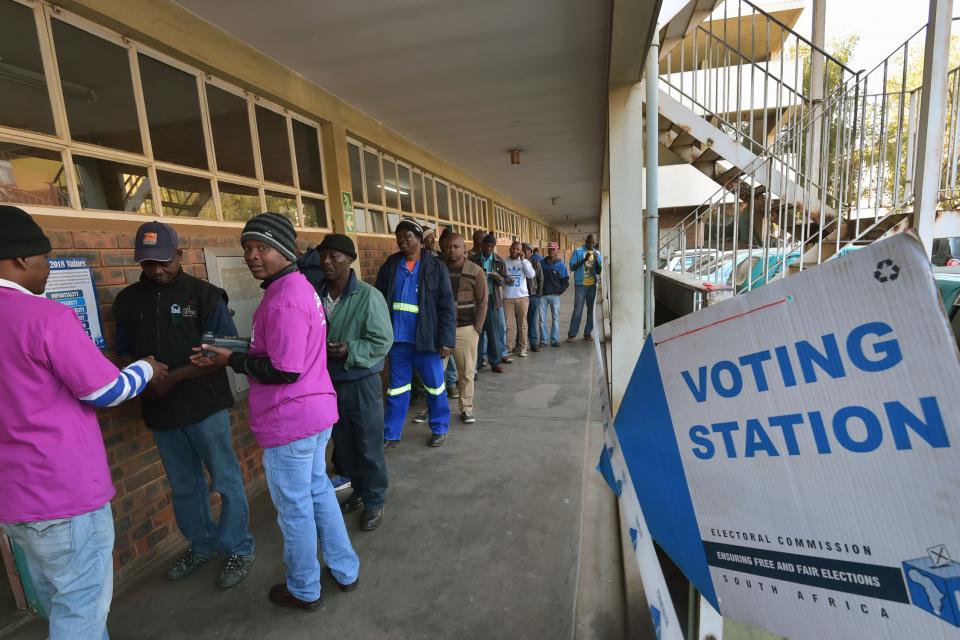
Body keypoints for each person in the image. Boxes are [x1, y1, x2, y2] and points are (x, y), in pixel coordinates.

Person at [0, 205, 167, 639]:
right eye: (45, 260)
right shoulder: (45, 317)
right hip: (63, 494)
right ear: (20, 260)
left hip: (13, 500)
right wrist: (145, 369)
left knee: (58, 599)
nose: (49, 270)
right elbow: (106, 391)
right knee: (81, 611)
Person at [192, 213, 359, 612]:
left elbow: (284, 368)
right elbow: (284, 351)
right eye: (247, 248)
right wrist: (241, 350)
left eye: (261, 247)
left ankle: (304, 588)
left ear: (284, 251)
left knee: (294, 508)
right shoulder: (298, 288)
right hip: (315, 413)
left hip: (291, 420)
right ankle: (345, 568)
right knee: (318, 491)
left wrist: (231, 360)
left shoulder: (284, 297)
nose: (252, 255)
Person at [112, 222, 256, 588]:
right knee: (184, 485)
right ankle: (202, 544)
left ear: (180, 254)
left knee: (224, 479)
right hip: (161, 410)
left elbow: (224, 350)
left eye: (164, 261)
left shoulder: (205, 296)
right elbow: (123, 348)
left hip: (204, 405)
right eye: (148, 264)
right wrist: (141, 373)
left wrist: (169, 377)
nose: (157, 270)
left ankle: (238, 547)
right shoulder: (128, 301)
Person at [298, 234, 393, 532]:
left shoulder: (367, 296)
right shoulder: (315, 294)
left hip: (360, 381)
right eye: (323, 255)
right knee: (344, 445)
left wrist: (350, 349)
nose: (326, 261)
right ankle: (359, 491)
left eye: (334, 256)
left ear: (350, 260)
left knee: (368, 443)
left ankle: (375, 499)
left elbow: (382, 341)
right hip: (327, 383)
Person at [375, 219, 456, 449]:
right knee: (397, 388)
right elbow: (379, 301)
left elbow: (446, 306)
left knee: (435, 387)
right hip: (398, 340)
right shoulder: (391, 266)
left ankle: (439, 427)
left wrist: (446, 340)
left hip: (426, 340)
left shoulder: (435, 267)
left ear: (420, 240)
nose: (402, 240)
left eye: (407, 236)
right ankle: (391, 433)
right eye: (398, 237)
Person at [442, 233, 488, 423]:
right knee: (436, 373)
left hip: (466, 329)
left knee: (466, 372)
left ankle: (466, 407)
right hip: (442, 330)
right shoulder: (438, 269)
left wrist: (476, 328)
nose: (451, 251)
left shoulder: (475, 270)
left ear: (464, 249)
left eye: (456, 247)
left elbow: (483, 301)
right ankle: (434, 408)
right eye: (448, 247)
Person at [470, 233, 508, 373]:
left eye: (492, 246)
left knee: (493, 333)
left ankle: (495, 361)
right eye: (487, 245)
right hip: (476, 300)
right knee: (477, 332)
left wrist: (498, 278)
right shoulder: (473, 259)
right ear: (482, 245)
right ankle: (478, 362)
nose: (489, 248)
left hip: (492, 299)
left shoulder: (499, 260)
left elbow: (505, 279)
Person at [502, 241, 536, 358]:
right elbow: (500, 278)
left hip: (522, 297)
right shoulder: (504, 262)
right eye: (514, 249)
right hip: (508, 298)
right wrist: (505, 281)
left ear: (521, 251)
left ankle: (523, 347)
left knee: (522, 324)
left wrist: (523, 261)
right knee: (509, 325)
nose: (515, 251)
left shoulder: (525, 262)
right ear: (510, 249)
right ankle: (509, 347)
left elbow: (531, 275)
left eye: (518, 249)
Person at [568, 234, 603, 341]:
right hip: (580, 285)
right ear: (586, 241)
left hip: (592, 285)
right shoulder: (578, 251)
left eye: (593, 243)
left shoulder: (597, 253)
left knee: (591, 310)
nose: (591, 244)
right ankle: (572, 333)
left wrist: (596, 260)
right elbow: (572, 267)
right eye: (589, 242)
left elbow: (599, 271)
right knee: (578, 309)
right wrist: (584, 259)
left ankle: (588, 333)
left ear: (595, 243)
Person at [541, 242, 569, 347]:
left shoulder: (560, 265)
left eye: (553, 249)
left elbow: (566, 281)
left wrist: (559, 291)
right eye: (550, 249)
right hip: (542, 295)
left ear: (557, 251)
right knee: (542, 320)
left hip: (555, 296)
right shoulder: (542, 263)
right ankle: (543, 341)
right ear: (547, 250)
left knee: (555, 318)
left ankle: (555, 340)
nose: (551, 251)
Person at [523, 243, 544, 352]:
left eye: (527, 250)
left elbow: (540, 278)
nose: (524, 251)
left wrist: (538, 293)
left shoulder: (535, 263)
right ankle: (521, 344)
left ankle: (534, 343)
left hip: (533, 296)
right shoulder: (519, 262)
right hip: (521, 297)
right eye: (523, 249)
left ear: (531, 252)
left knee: (532, 321)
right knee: (521, 322)